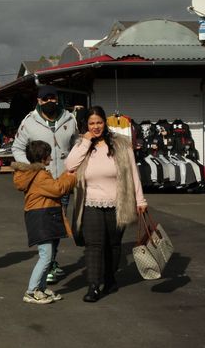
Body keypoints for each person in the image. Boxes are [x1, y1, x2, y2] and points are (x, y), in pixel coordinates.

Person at [65, 105, 148, 303]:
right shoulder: (82, 144)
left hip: (117, 202)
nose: (96, 127)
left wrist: (140, 199)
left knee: (113, 244)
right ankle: (93, 285)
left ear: (105, 123)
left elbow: (132, 174)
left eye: (99, 122)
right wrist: (86, 141)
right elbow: (70, 165)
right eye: (91, 123)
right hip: (90, 202)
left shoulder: (121, 144)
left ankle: (110, 278)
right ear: (86, 125)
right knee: (94, 245)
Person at [11, 85, 78, 283]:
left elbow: (76, 145)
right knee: (45, 225)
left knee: (57, 225)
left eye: (53, 98)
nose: (50, 101)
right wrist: (33, 168)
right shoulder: (29, 122)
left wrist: (73, 167)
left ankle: (52, 261)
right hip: (41, 183)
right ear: (39, 101)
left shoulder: (69, 118)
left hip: (63, 181)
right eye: (45, 98)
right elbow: (17, 147)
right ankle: (47, 264)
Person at [13, 140, 76, 304]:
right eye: (49, 154)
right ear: (43, 157)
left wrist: (64, 176)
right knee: (46, 256)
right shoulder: (40, 175)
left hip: (43, 215)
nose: (51, 158)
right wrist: (70, 177)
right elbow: (58, 189)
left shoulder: (35, 174)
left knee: (48, 254)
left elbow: (54, 186)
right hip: (42, 216)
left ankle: (40, 288)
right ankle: (31, 291)